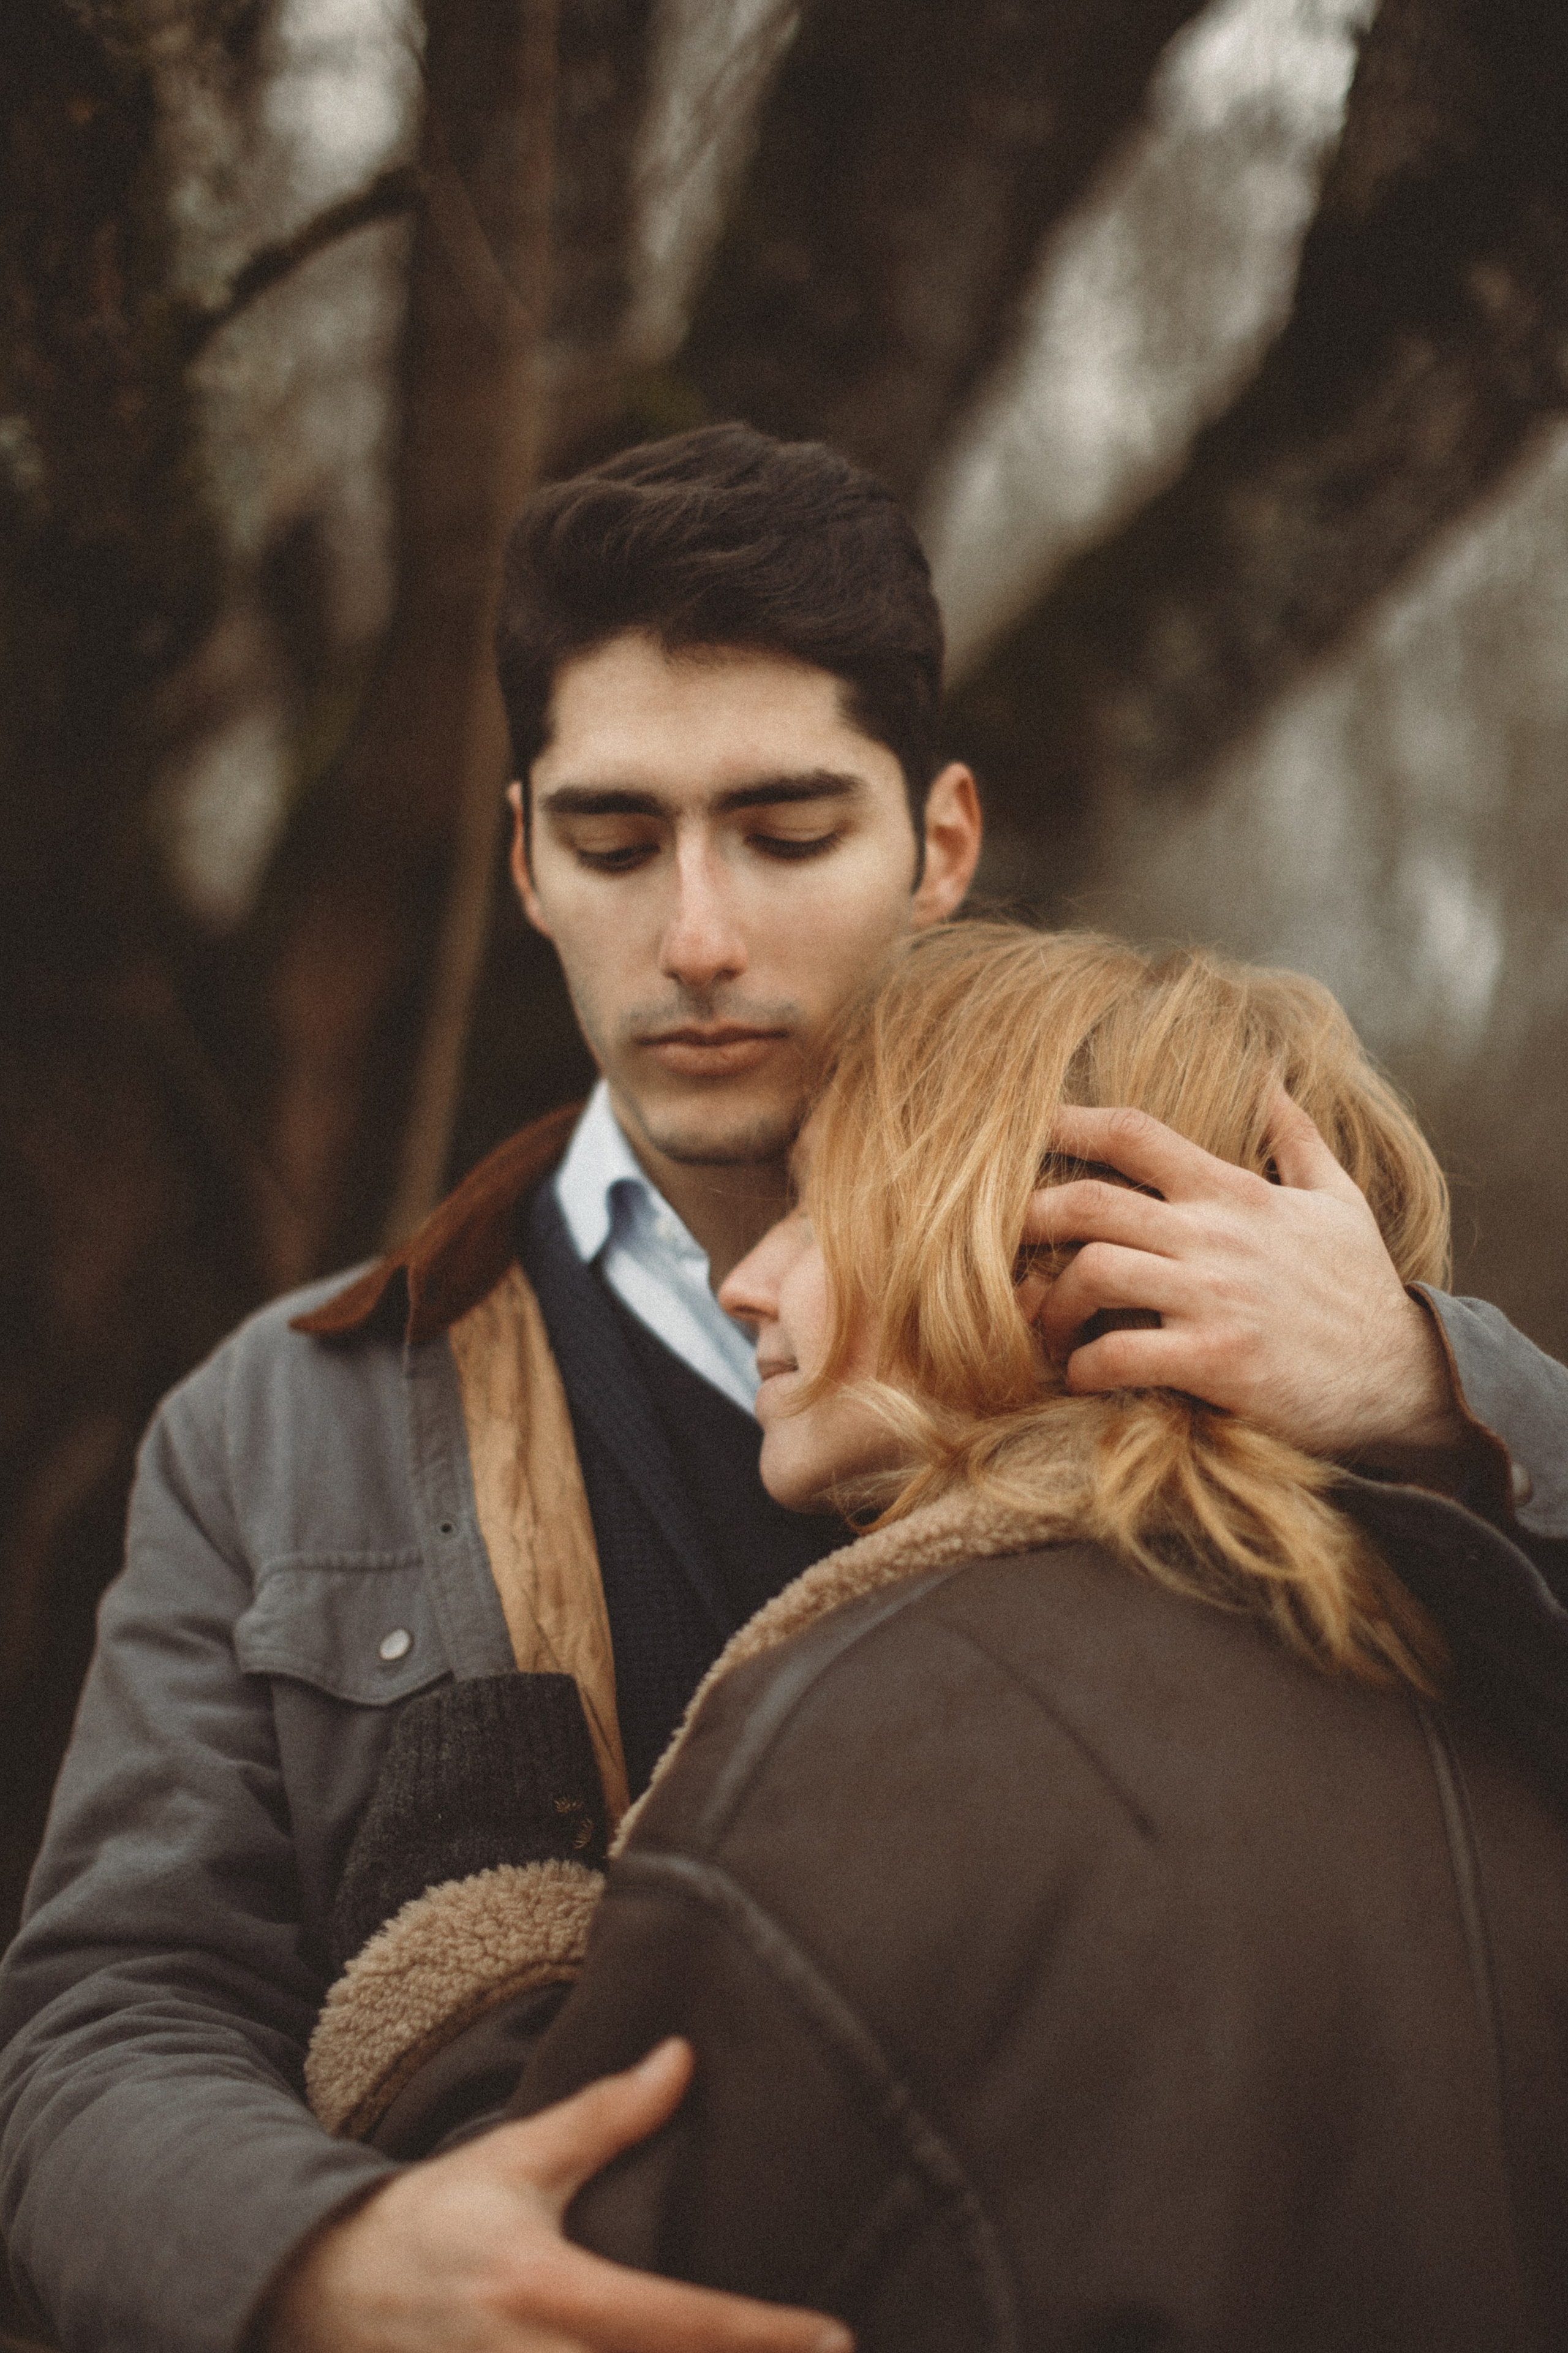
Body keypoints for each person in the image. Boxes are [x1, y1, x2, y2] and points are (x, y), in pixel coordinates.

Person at [1, 424, 1565, 2353]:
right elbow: (101, 2021)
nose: (701, 938)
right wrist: (314, 2261)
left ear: (945, 846)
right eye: (616, 839)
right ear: (525, 863)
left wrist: (1429, 1381)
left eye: (790, 830)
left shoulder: (1234, 1280)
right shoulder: (282, 1420)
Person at [311, 924, 1568, 2351]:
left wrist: (469, 1956)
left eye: (811, 1202)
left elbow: (570, 2288)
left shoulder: (894, 1725)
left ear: (1036, 1244)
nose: (745, 1283)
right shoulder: (1483, 1693)